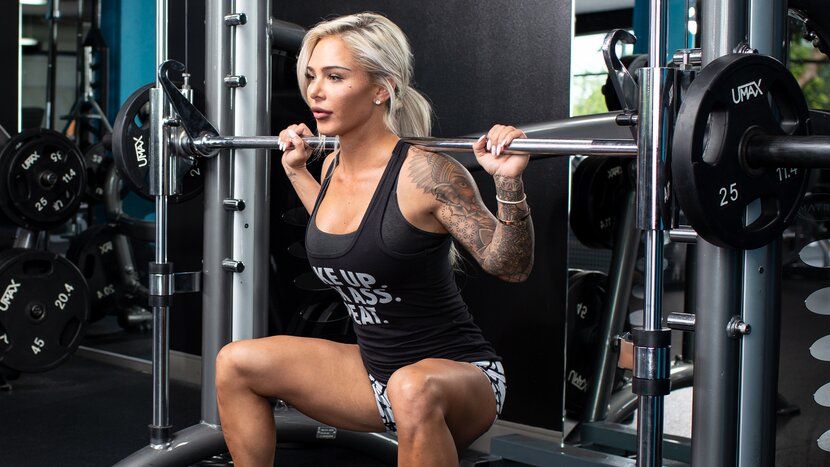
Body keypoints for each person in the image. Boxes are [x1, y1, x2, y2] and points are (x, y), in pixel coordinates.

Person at [215, 12, 534, 467]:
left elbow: (511, 266)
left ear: (381, 89)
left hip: (458, 379)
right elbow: (347, 236)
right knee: (236, 362)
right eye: (311, 76)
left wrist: (508, 185)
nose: (315, 91)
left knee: (411, 387)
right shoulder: (329, 169)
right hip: (373, 375)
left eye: (335, 76)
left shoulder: (427, 173)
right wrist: (295, 171)